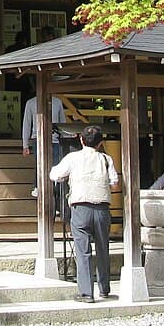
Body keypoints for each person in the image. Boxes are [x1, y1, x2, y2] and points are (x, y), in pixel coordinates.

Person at [50, 124, 120, 303]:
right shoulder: (106, 159)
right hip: (102, 208)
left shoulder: (72, 158)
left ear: (81, 140)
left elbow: (55, 175)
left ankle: (86, 293)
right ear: (100, 143)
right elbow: (115, 184)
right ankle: (104, 289)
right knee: (103, 248)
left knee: (83, 251)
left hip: (80, 208)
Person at [22, 92, 65, 198]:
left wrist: (65, 137)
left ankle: (55, 194)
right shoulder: (31, 103)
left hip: (55, 139)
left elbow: (62, 122)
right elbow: (27, 123)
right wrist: (25, 144)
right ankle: (37, 186)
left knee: (55, 166)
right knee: (40, 164)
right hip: (38, 138)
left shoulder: (57, 102)